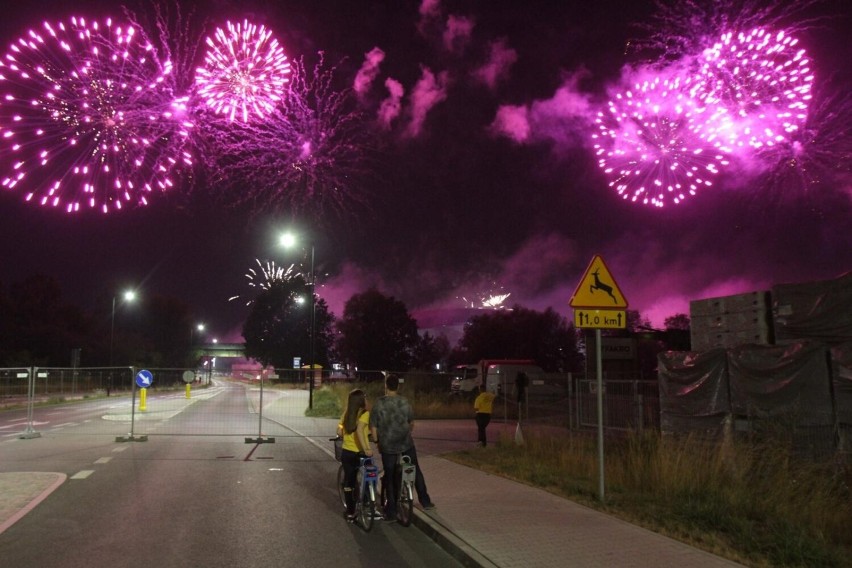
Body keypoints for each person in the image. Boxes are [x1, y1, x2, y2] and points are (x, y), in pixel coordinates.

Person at [370, 373, 434, 521]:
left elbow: (373, 426)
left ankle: (391, 510)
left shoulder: (379, 403)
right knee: (416, 469)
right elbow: (411, 423)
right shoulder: (405, 402)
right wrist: (406, 433)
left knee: (390, 476)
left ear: (386, 386)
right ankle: (425, 501)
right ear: (397, 386)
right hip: (405, 443)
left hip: (388, 446)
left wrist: (376, 441)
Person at [337, 388, 373, 522]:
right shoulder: (364, 414)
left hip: (347, 452)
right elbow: (360, 431)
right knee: (369, 476)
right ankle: (367, 502)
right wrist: (366, 448)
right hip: (361, 452)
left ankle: (350, 512)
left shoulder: (346, 414)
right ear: (361, 401)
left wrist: (342, 431)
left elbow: (339, 430)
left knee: (348, 482)